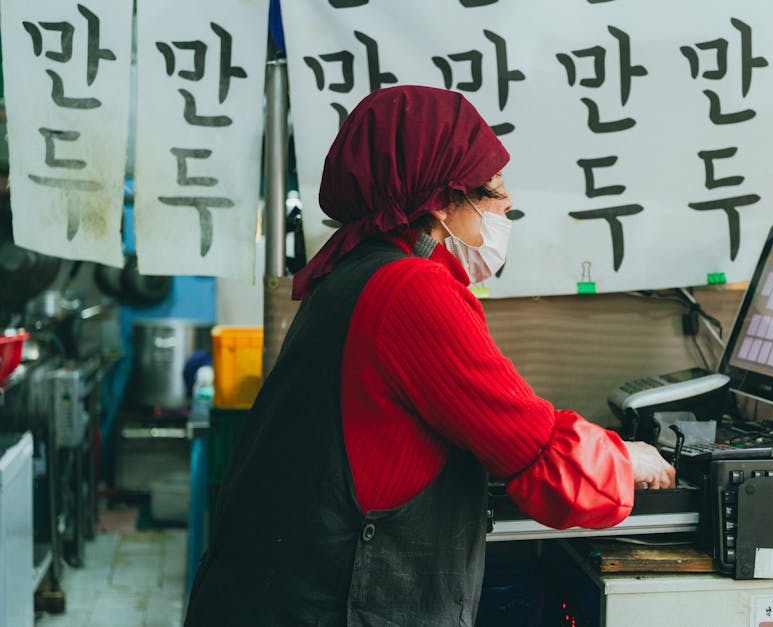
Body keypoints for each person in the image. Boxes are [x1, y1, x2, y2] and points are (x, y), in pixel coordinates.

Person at [183, 85, 675, 626]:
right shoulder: (412, 291)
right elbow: (542, 457)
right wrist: (628, 461)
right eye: (493, 189)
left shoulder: (354, 271)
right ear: (440, 203)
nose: (507, 203)